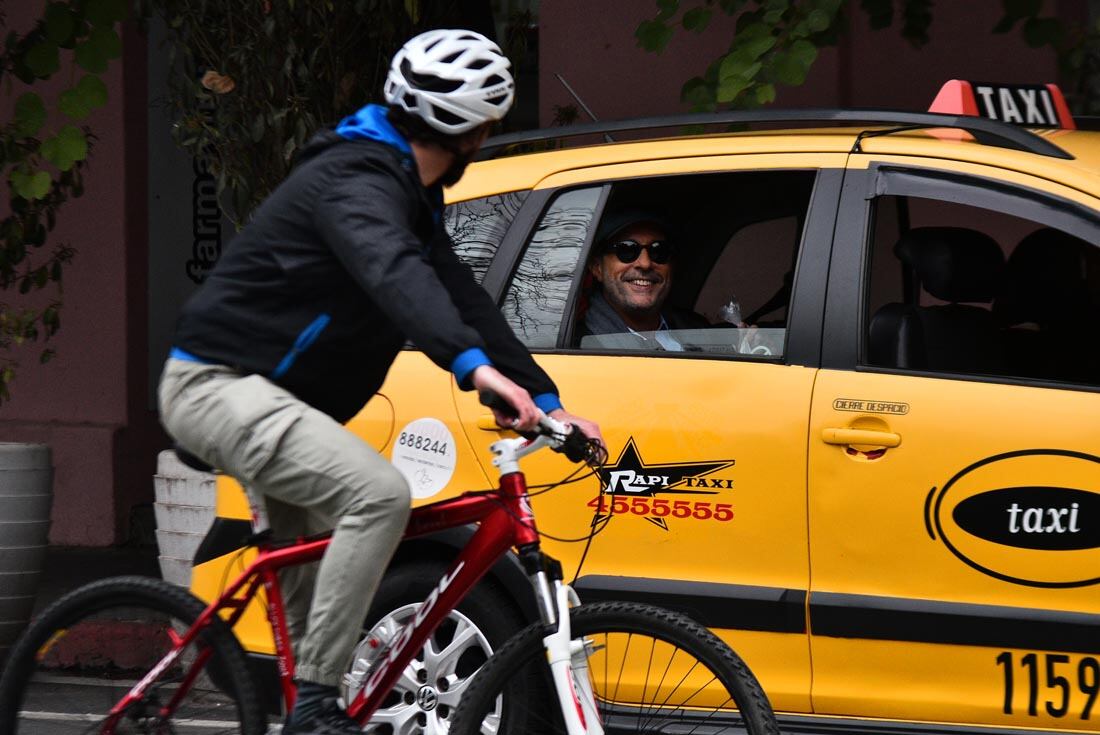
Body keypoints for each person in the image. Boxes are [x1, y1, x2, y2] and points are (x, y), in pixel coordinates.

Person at [157, 29, 600, 735]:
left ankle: (307, 696)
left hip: (278, 403)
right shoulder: (354, 182)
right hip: (216, 385)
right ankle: (316, 704)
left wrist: (545, 399)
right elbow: (396, 276)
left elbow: (463, 297)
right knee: (379, 495)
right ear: (473, 132)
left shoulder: (408, 199)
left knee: (312, 577)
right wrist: (472, 368)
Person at [578, 210, 711, 351]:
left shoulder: (699, 330)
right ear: (597, 268)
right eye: (627, 250)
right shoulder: (577, 347)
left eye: (659, 251)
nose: (645, 263)